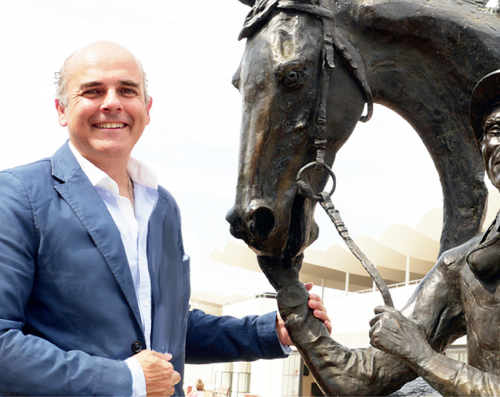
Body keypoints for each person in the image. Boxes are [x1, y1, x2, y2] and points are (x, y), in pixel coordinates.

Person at [271, 68, 500, 396]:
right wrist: (288, 287)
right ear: (484, 149)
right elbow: (357, 381)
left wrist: (420, 355)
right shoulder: (459, 264)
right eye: (496, 129)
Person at [0, 41, 331, 396]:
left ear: (146, 107)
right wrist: (124, 380)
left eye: (127, 90)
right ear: (62, 110)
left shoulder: (162, 207)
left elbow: (168, 328)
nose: (112, 102)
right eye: (92, 91)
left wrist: (271, 330)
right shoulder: (18, 195)